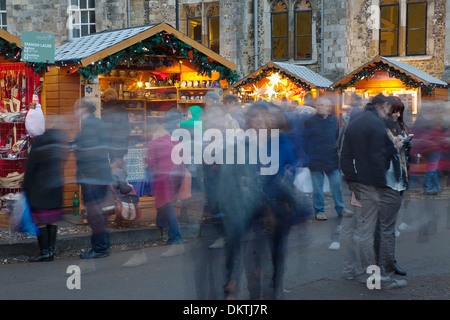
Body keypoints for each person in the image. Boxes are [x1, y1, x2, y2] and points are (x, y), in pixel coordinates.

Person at [340, 93, 407, 289]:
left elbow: (345, 156)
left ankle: (356, 272)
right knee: (368, 231)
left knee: (360, 229)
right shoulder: (376, 125)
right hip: (372, 185)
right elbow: (377, 158)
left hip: (359, 182)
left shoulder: (356, 122)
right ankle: (374, 278)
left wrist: (353, 181)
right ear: (382, 106)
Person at [23, 116, 68, 262]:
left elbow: (30, 166)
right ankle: (50, 252)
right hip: (56, 185)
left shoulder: (40, 140)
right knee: (52, 220)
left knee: (41, 220)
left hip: (40, 185)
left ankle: (44, 252)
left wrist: (25, 186)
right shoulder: (62, 143)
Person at [374, 96, 409, 278]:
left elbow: (401, 153)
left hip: (399, 180)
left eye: (399, 111)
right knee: (385, 228)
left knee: (388, 227)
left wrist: (405, 145)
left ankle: (389, 262)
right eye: (394, 110)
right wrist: (395, 146)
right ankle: (384, 269)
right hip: (388, 181)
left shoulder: (399, 126)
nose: (396, 114)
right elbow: (378, 155)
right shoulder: (381, 127)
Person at [74, 97, 113, 259]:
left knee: (94, 213)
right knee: (101, 213)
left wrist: (77, 147)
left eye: (77, 108)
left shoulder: (89, 126)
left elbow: (89, 152)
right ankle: (104, 245)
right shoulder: (99, 124)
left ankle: (99, 248)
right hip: (101, 174)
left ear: (84, 109)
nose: (75, 111)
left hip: (92, 176)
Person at [303, 97, 348, 221]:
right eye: (319, 105)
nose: (321, 107)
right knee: (317, 188)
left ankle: (341, 208)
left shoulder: (334, 120)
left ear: (329, 107)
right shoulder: (310, 121)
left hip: (331, 157)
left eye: (324, 105)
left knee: (337, 185)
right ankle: (319, 211)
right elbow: (304, 139)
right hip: (315, 158)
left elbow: (335, 136)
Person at [147, 112, 185, 257]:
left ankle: (176, 239)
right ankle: (161, 224)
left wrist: (154, 172)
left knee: (167, 206)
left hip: (163, 178)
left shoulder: (155, 142)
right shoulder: (175, 141)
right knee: (165, 203)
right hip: (175, 176)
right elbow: (181, 160)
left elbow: (150, 162)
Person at [102, 88, 130, 162]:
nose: (104, 99)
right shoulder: (123, 108)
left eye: (104, 97)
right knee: (119, 166)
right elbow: (127, 127)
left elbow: (107, 130)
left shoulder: (108, 111)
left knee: (114, 167)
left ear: (108, 97)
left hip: (113, 145)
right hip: (122, 143)